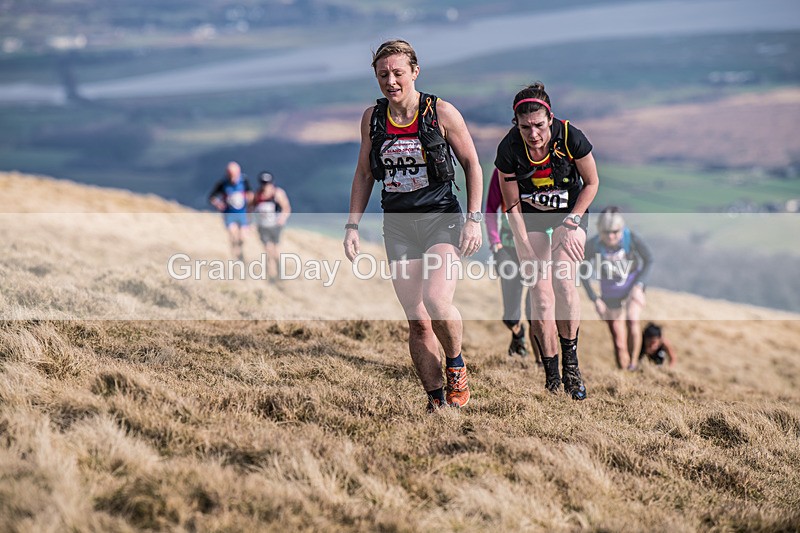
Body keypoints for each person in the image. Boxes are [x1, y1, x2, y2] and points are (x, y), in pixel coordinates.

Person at [343, 39, 483, 413]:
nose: (391, 81)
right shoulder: (372, 119)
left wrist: (474, 219)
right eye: (383, 74)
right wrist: (352, 225)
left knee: (438, 301)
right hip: (399, 226)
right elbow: (363, 172)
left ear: (415, 72)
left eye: (398, 73)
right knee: (418, 321)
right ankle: (436, 402)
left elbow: (472, 164)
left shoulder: (441, 112)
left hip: (442, 220)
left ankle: (455, 364)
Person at [496, 82, 599, 400]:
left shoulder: (570, 137)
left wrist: (574, 219)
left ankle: (571, 366)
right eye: (525, 127)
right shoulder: (510, 148)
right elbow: (511, 204)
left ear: (550, 118)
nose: (534, 134)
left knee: (565, 284)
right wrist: (522, 244)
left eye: (539, 125)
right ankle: (552, 375)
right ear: (517, 124)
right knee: (541, 298)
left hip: (570, 216)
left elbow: (592, 182)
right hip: (531, 221)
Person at [583, 207, 654, 370]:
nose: (611, 236)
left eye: (615, 232)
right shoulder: (593, 244)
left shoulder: (632, 239)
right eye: (606, 232)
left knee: (632, 320)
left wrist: (639, 285)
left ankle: (633, 364)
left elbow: (649, 259)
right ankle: (622, 372)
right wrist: (595, 299)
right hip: (610, 292)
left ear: (621, 229)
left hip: (632, 287)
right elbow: (583, 271)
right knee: (618, 339)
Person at [485, 167, 538, 361]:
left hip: (537, 248)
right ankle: (518, 333)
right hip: (507, 248)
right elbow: (491, 209)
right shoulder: (502, 170)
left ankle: (542, 363)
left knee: (535, 309)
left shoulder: (544, 166)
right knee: (510, 316)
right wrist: (495, 244)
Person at [208, 161, 253, 261]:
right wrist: (219, 204)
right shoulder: (222, 183)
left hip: (242, 214)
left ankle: (241, 253)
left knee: (242, 237)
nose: (232, 177)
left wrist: (250, 207)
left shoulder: (244, 181)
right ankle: (236, 259)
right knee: (233, 236)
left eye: (234, 174)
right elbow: (212, 197)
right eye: (230, 174)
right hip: (229, 214)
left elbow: (250, 194)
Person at [252, 171, 291, 281]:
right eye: (263, 183)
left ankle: (279, 273)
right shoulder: (257, 195)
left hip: (275, 226)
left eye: (267, 183)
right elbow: (251, 209)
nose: (265, 186)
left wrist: (282, 219)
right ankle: (271, 276)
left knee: (276, 251)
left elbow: (286, 208)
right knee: (268, 250)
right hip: (263, 227)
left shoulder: (278, 193)